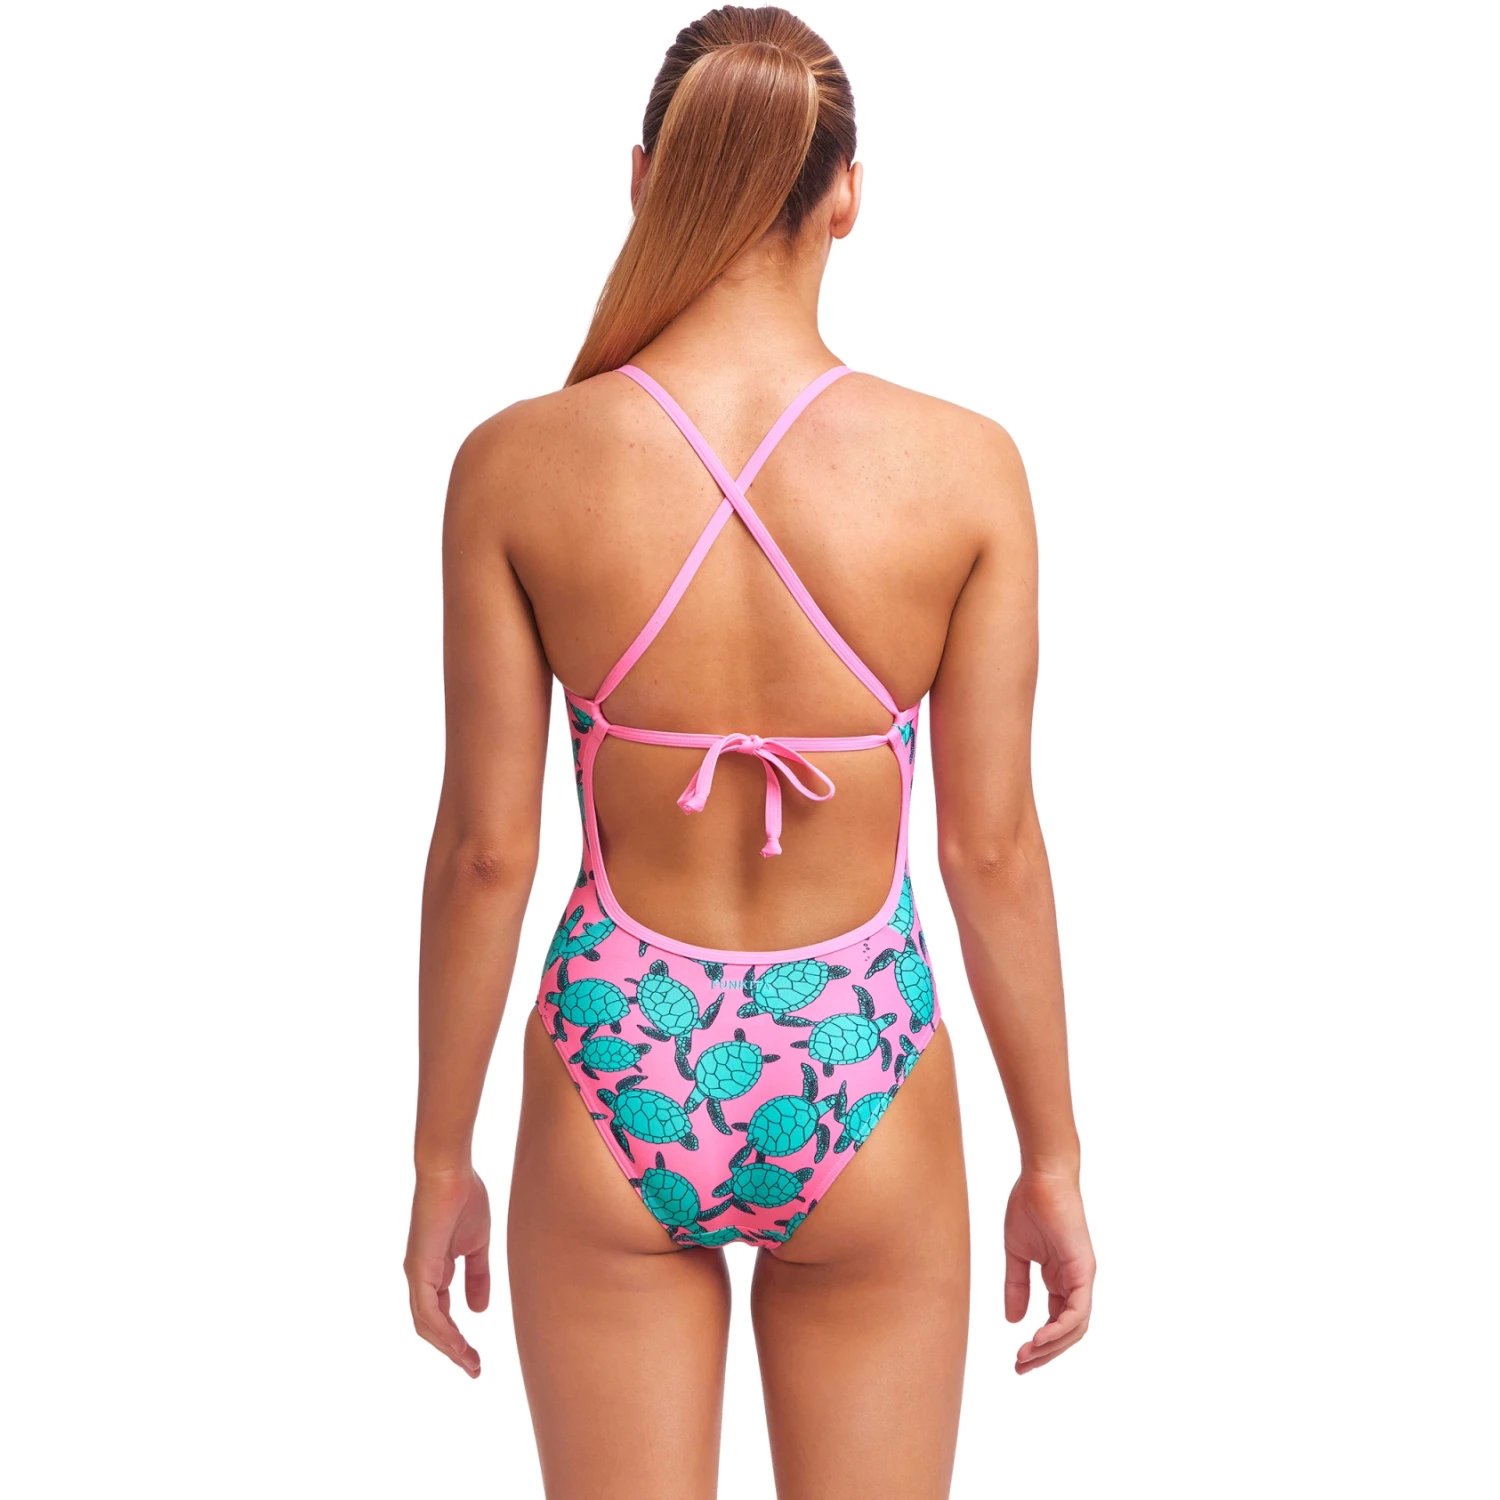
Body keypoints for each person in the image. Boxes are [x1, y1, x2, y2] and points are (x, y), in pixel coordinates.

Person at [404, 7, 1094, 1496]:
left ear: (644, 177)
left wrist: (439, 1158)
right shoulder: (966, 468)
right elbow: (989, 851)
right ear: (847, 194)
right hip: (867, 1055)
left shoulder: (516, 463)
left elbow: (487, 853)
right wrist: (1053, 1157)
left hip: (613, 1052)